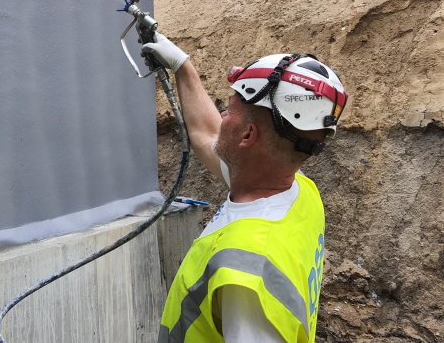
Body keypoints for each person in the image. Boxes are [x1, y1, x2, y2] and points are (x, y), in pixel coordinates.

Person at [142, 33, 348, 343]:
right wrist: (183, 67)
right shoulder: (300, 193)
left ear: (247, 136)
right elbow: (208, 134)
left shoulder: (245, 281)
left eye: (229, 108)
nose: (222, 115)